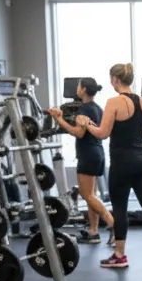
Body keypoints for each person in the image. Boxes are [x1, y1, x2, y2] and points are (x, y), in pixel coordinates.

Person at [77, 63, 142, 269]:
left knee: (120, 208)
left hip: (122, 162)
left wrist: (87, 125)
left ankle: (120, 255)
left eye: (111, 78)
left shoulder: (113, 102)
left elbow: (102, 133)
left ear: (116, 80)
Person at [48, 78, 115, 245]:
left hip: (87, 154)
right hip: (97, 153)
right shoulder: (97, 108)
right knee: (91, 195)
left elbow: (78, 133)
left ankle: (114, 225)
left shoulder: (84, 109)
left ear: (83, 90)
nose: (77, 89)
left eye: (78, 86)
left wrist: (59, 118)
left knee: (87, 195)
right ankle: (93, 232)